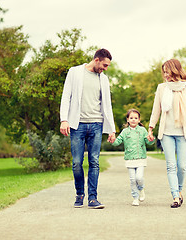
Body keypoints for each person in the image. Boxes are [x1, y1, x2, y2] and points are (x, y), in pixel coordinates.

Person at [60, 48, 116, 209]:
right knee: (77, 163)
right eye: (104, 65)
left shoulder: (103, 79)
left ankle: (93, 198)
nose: (105, 69)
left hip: (97, 124)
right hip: (78, 124)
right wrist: (64, 119)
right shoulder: (75, 72)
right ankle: (79, 194)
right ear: (97, 59)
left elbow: (107, 105)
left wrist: (111, 129)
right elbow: (66, 96)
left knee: (95, 162)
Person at [147, 59, 186, 208]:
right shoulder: (162, 88)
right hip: (167, 133)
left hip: (184, 132)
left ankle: (180, 191)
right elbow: (156, 109)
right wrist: (151, 127)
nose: (165, 75)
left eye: (167, 71)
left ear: (175, 70)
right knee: (171, 165)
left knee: (181, 166)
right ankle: (175, 196)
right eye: (163, 72)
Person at [112, 109, 154, 206]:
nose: (133, 120)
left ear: (139, 120)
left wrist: (151, 140)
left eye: (136, 118)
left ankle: (141, 188)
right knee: (132, 180)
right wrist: (112, 141)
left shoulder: (142, 130)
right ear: (127, 119)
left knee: (139, 178)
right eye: (131, 118)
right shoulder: (125, 132)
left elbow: (148, 142)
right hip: (129, 159)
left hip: (140, 158)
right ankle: (135, 198)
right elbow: (117, 141)